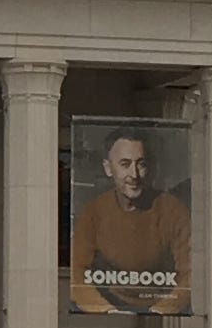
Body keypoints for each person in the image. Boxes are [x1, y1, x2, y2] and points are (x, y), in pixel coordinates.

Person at [66, 130, 193, 315]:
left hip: (161, 312)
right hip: (108, 311)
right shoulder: (93, 212)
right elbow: (77, 273)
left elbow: (189, 275)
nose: (134, 174)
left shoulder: (173, 211)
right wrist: (107, 310)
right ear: (108, 168)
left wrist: (161, 310)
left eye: (141, 164)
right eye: (125, 164)